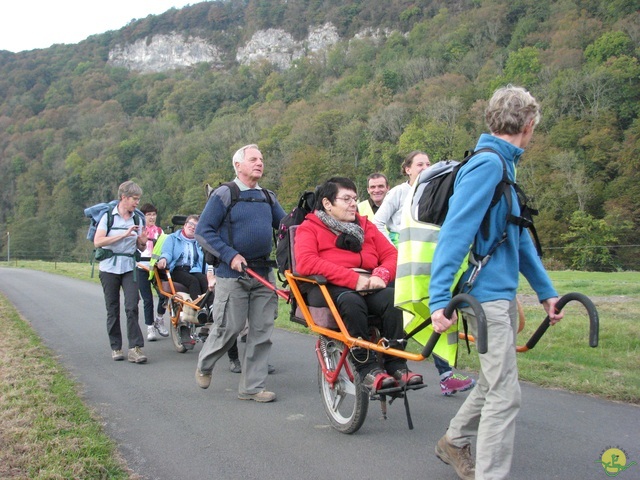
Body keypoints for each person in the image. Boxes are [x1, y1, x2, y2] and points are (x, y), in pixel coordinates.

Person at [430, 85, 563, 480]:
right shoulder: (488, 165)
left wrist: (545, 291)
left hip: (500, 295)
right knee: (506, 395)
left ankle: (454, 440)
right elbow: (454, 234)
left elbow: (518, 237)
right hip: (485, 298)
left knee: (493, 383)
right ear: (527, 123)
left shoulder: (505, 164)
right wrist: (439, 300)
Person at [294, 176, 423, 391]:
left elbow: (392, 254)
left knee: (393, 299)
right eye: (346, 199)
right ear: (327, 204)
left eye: (354, 198)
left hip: (369, 280)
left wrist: (381, 274)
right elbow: (307, 262)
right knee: (352, 302)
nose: (353, 203)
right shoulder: (310, 227)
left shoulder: (365, 225)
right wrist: (354, 280)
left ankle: (396, 364)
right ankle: (367, 369)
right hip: (328, 284)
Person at [375, 151, 476, 396]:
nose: (426, 167)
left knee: (437, 313)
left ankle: (445, 375)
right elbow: (378, 223)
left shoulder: (437, 189)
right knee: (411, 316)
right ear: (407, 169)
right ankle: (393, 367)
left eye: (429, 163)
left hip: (431, 264)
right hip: (406, 268)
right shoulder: (398, 193)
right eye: (420, 164)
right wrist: (396, 248)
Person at [195, 144, 286, 403]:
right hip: (231, 275)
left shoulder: (268, 197)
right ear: (238, 165)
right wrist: (230, 255)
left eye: (262, 159)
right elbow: (204, 231)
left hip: (263, 275)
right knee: (229, 327)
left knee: (261, 332)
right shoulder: (225, 194)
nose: (260, 163)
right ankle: (205, 364)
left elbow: (286, 227)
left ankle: (252, 387)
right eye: (253, 159)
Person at [94, 180, 149, 364]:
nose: (137, 203)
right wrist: (123, 235)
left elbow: (140, 247)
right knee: (113, 308)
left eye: (138, 199)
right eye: (134, 199)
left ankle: (135, 348)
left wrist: (142, 241)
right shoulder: (108, 217)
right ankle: (116, 346)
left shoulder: (137, 218)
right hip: (109, 267)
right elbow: (98, 241)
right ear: (124, 198)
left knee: (132, 306)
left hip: (129, 267)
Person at [156, 215, 216, 329]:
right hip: (177, 269)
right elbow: (167, 253)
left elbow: (205, 259)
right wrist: (163, 259)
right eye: (191, 224)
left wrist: (210, 271)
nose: (193, 228)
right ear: (185, 225)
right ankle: (199, 308)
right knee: (193, 281)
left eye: (196, 226)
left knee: (205, 280)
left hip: (194, 269)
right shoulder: (172, 238)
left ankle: (212, 308)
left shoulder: (200, 242)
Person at [137, 203, 169, 341]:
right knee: (147, 299)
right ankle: (150, 326)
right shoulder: (138, 230)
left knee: (165, 294)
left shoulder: (160, 232)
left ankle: (159, 319)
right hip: (141, 267)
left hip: (156, 267)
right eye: (148, 215)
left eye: (153, 214)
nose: (151, 217)